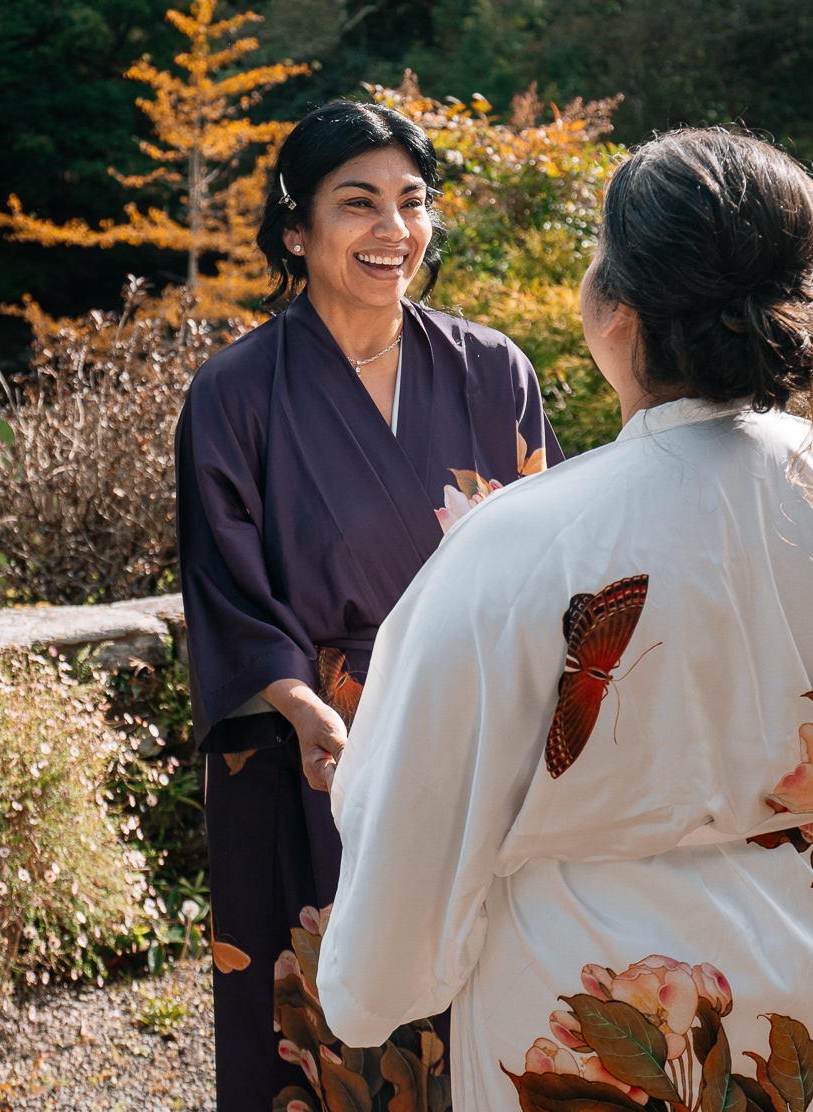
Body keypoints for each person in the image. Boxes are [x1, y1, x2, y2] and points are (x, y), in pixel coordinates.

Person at [315, 127, 813, 1112]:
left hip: (606, 1008)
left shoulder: (525, 541)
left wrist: (373, 990)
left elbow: (412, 804)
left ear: (615, 308)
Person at [174, 99, 563, 1108]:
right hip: (311, 748)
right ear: (296, 230)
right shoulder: (236, 393)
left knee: (484, 1018)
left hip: (468, 746)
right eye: (360, 203)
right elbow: (224, 582)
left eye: (412, 201)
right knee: (320, 1029)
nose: (394, 229)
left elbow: (552, 569)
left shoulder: (494, 373)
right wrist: (305, 708)